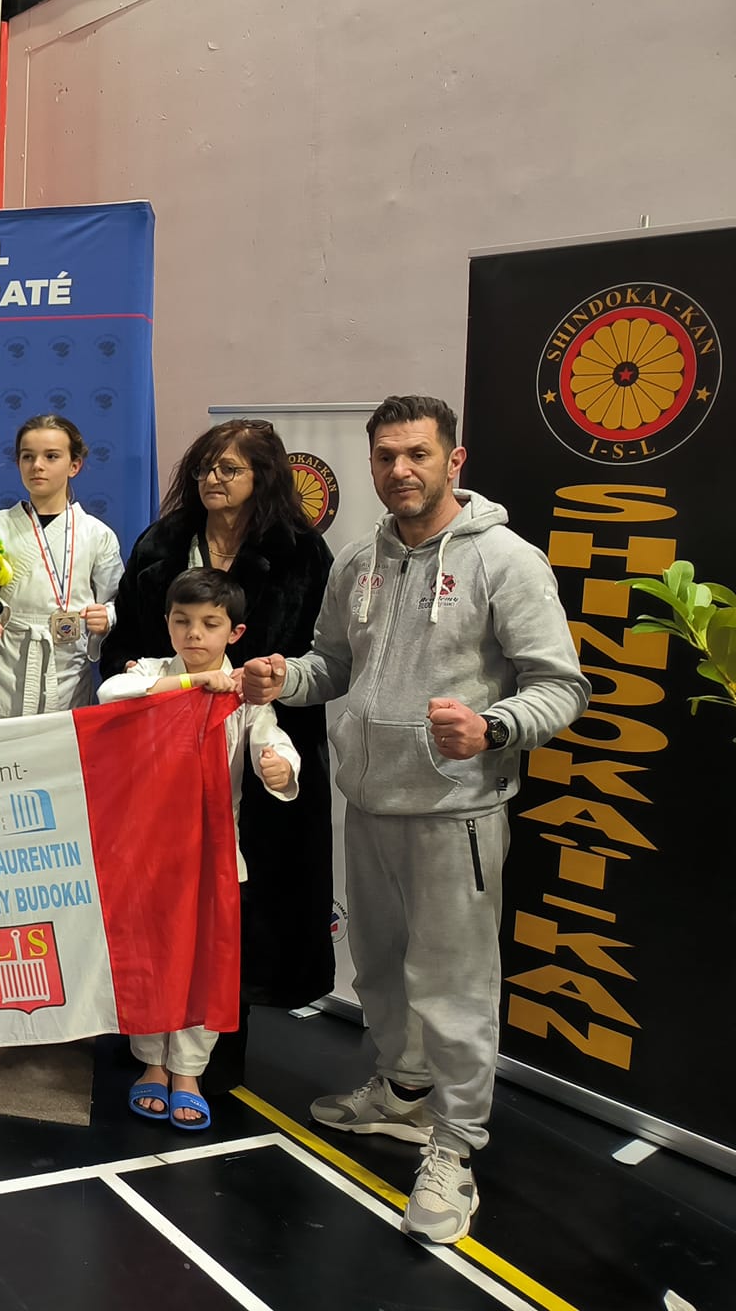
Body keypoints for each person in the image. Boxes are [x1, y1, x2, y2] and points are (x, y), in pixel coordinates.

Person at [241, 394, 590, 1244]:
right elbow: (334, 666)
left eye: (418, 454)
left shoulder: (505, 560)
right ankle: (401, 1094)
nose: (400, 470)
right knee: (381, 972)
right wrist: (286, 678)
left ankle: (456, 1146)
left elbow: (562, 686)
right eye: (386, 456)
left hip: (455, 814)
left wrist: (494, 728)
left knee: (455, 989)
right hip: (369, 805)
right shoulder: (360, 559)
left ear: (453, 461)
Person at [103, 418, 336, 1071]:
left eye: (229, 468)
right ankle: (149, 1043)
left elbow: (325, 653)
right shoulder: (161, 542)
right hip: (162, 749)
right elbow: (124, 641)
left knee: (243, 906)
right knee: (160, 908)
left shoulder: (300, 551)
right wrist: (138, 676)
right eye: (206, 466)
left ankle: (214, 1053)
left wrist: (272, 691)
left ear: (263, 476)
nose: (213, 478)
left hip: (256, 739)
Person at [98, 568, 300, 1132]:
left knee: (204, 965)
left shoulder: (244, 692)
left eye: (210, 624)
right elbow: (111, 693)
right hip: (145, 851)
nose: (194, 634)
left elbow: (272, 739)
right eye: (182, 621)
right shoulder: (150, 674)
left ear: (235, 633)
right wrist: (192, 683)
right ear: (166, 623)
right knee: (150, 958)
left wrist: (281, 767)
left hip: (212, 855)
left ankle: (188, 1072)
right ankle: (152, 1064)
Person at [0, 415, 123, 719]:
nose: (37, 466)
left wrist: (107, 616)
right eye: (28, 457)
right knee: (1, 743)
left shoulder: (97, 534)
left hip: (66, 665)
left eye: (51, 456)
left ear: (74, 465)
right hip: (7, 660)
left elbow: (118, 600)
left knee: (61, 742)